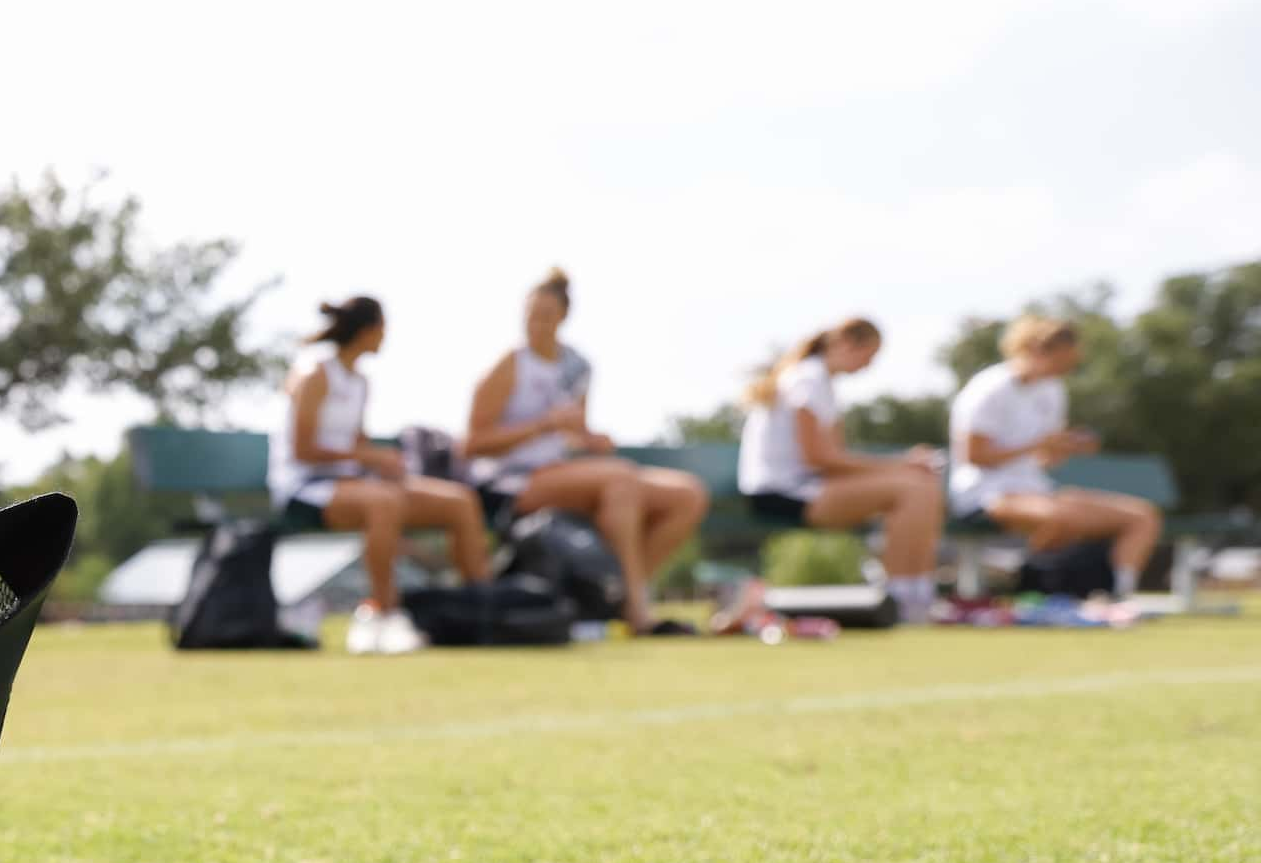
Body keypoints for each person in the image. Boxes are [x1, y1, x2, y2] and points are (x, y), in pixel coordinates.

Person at [464, 267, 707, 634]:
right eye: (530, 314)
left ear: (563, 317)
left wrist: (592, 441)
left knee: (686, 495)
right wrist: (542, 425)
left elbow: (573, 436)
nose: (535, 323)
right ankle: (637, 612)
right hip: (511, 482)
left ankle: (613, 595)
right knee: (620, 480)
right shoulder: (509, 365)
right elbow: (473, 444)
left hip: (561, 472)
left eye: (544, 315)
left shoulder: (577, 366)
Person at [271, 295, 491, 655]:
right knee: (385, 504)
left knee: (459, 501)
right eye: (383, 329)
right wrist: (367, 455)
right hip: (304, 488)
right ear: (369, 330)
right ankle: (383, 615)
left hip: (352, 483)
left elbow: (355, 445)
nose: (385, 337)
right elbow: (303, 451)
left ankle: (481, 610)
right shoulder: (315, 375)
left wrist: (382, 464)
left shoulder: (360, 383)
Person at [736, 317, 942, 622]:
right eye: (869, 356)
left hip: (807, 487)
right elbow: (818, 458)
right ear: (847, 344)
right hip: (780, 492)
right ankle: (901, 601)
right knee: (911, 487)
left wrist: (901, 468)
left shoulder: (821, 382)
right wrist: (899, 465)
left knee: (920, 483)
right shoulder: (807, 379)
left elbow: (834, 459)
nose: (869, 365)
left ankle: (919, 596)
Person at [950, 314, 1160, 599]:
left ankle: (1118, 596)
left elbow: (1045, 460)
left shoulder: (1053, 390)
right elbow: (974, 456)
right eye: (1062, 362)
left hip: (1036, 489)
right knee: (1064, 517)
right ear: (1036, 350)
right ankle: (1023, 577)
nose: (1065, 370)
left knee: (1142, 517)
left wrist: (1066, 447)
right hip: (984, 493)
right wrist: (1036, 444)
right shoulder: (990, 388)